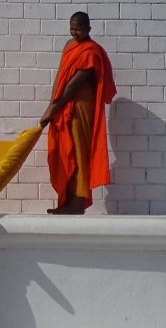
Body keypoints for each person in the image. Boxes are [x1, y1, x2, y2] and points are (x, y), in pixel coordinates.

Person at [39, 11, 116, 214]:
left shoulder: (91, 52)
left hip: (81, 106)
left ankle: (78, 201)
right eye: (72, 28)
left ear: (89, 29)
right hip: (63, 104)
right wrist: (52, 102)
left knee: (79, 152)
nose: (75, 32)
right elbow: (60, 77)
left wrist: (53, 108)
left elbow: (73, 86)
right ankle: (67, 198)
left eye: (79, 29)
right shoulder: (69, 46)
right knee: (66, 151)